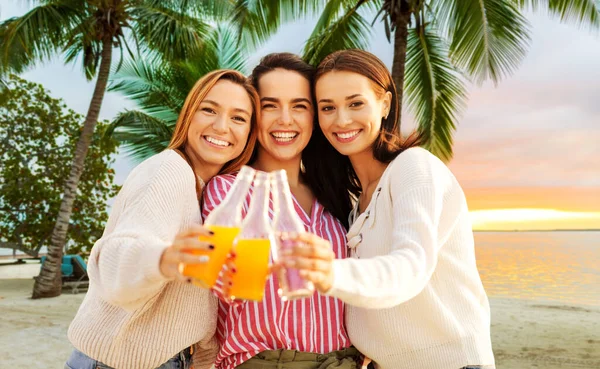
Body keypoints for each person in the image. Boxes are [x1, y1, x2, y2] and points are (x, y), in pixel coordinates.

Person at [282, 49, 495, 369]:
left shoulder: (414, 168)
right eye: (328, 107)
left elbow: (410, 267)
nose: (341, 120)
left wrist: (330, 272)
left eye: (356, 103)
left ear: (385, 104)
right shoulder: (358, 204)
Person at [65, 69, 259, 369]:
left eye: (238, 118)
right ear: (188, 116)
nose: (221, 127)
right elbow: (116, 256)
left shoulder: (214, 193)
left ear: (249, 132)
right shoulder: (168, 170)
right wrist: (165, 260)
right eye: (209, 109)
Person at [202, 53, 360, 369]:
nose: (285, 119)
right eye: (270, 105)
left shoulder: (337, 199)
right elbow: (221, 282)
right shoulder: (228, 192)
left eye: (299, 106)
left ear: (314, 118)